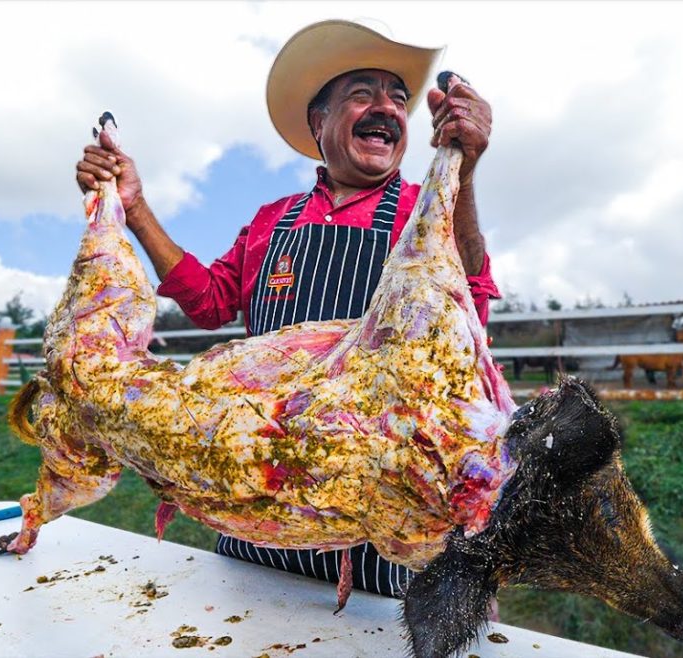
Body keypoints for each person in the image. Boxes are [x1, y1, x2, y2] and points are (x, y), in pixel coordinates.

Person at [75, 20, 498, 601]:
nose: (387, 109)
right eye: (362, 94)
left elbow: (469, 302)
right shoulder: (275, 218)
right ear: (318, 123)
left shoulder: (421, 218)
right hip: (258, 508)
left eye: (399, 98)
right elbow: (209, 300)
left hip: (379, 527)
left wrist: (462, 169)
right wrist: (135, 206)